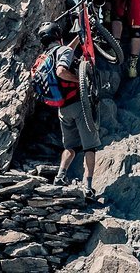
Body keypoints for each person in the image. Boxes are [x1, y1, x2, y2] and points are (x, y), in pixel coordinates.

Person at [37, 23, 100, 196]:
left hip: (62, 108)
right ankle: (88, 186)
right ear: (58, 34)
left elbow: (66, 51)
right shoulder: (62, 52)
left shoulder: (46, 56)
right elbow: (61, 71)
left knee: (70, 146)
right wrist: (80, 80)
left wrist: (78, 39)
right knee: (90, 147)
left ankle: (60, 176)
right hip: (78, 104)